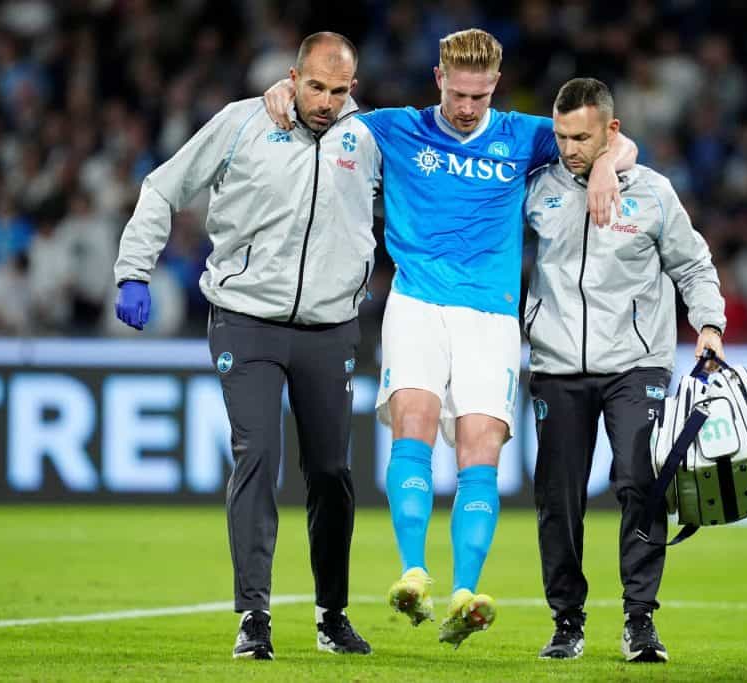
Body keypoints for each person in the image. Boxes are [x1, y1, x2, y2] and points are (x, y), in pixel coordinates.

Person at [263, 29, 637, 648]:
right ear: (439, 77)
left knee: (478, 450)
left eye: (480, 95)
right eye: (459, 93)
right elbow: (319, 107)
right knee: (412, 427)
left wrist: (603, 165)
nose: (468, 107)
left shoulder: (524, 135)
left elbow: (620, 141)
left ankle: (465, 592)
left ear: (496, 86)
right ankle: (414, 574)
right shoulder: (395, 127)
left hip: (491, 316)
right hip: (415, 304)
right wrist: (280, 89)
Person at [113, 32, 378, 659]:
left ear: (353, 90)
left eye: (338, 91)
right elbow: (163, 186)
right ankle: (254, 615)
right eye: (314, 86)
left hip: (330, 328)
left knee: (333, 474)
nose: (324, 101)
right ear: (293, 76)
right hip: (245, 320)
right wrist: (133, 268)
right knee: (257, 455)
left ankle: (331, 615)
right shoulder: (242, 122)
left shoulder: (370, 138)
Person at [522, 78, 726, 663]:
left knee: (641, 483)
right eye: (561, 137)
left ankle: (640, 620)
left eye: (582, 137)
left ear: (612, 131)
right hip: (558, 365)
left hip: (637, 365)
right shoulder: (536, 190)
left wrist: (708, 325)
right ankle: (567, 620)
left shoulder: (655, 194)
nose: (569, 149)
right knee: (557, 498)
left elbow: (693, 264)